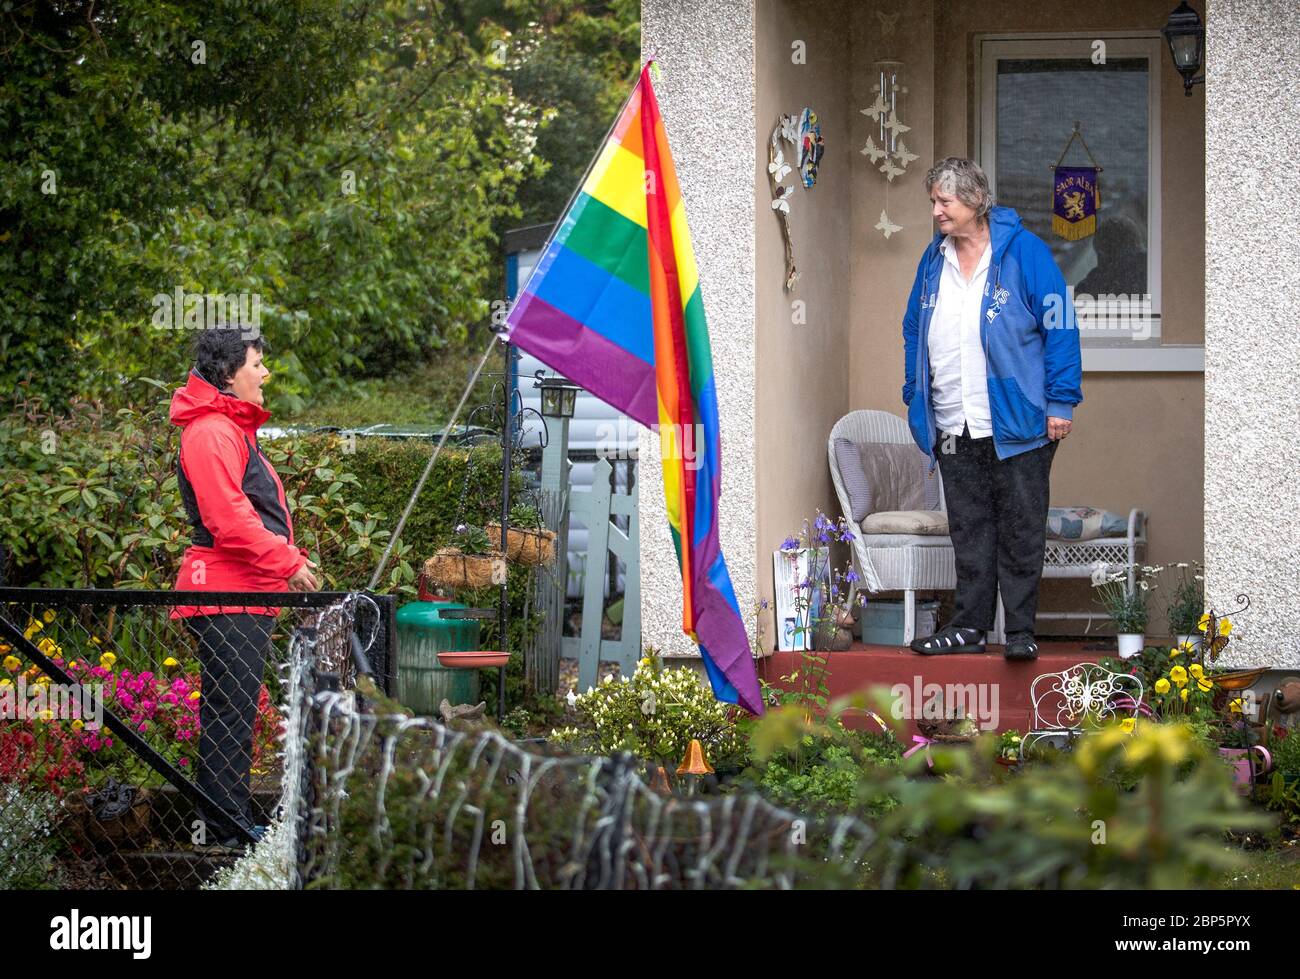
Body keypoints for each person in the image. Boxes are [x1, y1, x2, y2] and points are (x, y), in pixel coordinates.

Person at [901, 158, 1082, 660]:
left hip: (1017, 420)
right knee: (969, 529)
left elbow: (1061, 326)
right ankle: (969, 627)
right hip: (953, 420)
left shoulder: (1024, 252)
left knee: (1021, 528)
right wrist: (915, 391)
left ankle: (1020, 631)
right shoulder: (933, 259)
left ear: (976, 201)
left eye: (945, 201)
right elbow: (913, 326)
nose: (936, 210)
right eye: (934, 201)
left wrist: (1060, 400)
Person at [169, 325, 321, 847]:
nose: (265, 373)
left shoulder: (227, 427)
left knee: (230, 707)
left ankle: (223, 825)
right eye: (257, 364)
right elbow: (228, 519)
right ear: (230, 375)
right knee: (230, 710)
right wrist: (287, 561)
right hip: (225, 592)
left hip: (242, 593)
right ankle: (226, 830)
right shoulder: (212, 430)